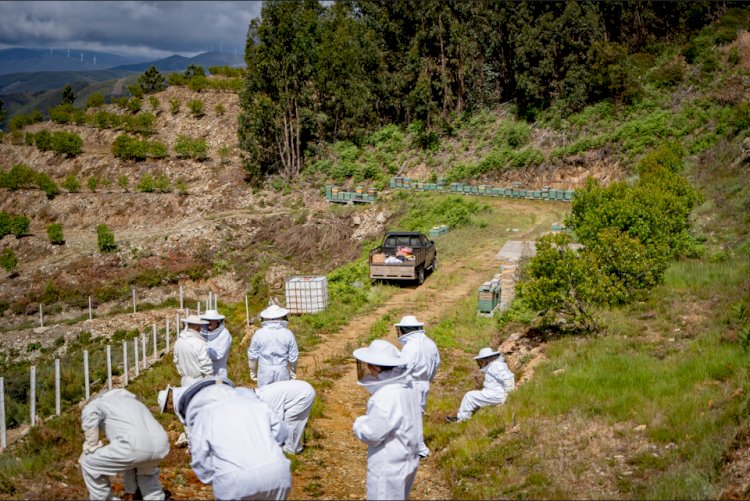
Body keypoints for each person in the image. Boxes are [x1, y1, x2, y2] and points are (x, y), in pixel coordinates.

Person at [158, 377, 291, 500]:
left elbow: (201, 461)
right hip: (278, 475)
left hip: (234, 483)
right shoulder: (253, 404)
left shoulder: (204, 416)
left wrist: (217, 476)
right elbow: (281, 431)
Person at [352, 339, 422, 500]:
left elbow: (372, 434)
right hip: (408, 458)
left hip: (388, 466)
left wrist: (359, 424)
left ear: (377, 367)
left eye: (369, 364)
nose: (368, 369)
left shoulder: (386, 395)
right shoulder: (409, 386)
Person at [79, 389, 169, 500]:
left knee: (88, 463)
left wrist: (91, 445)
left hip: (132, 444)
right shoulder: (136, 403)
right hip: (161, 444)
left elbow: (90, 412)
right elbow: (131, 462)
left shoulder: (99, 403)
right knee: (147, 475)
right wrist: (130, 491)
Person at [395, 315, 440, 459]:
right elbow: (437, 363)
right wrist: (427, 380)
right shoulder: (430, 343)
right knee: (416, 416)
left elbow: (403, 368)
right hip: (424, 383)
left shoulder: (410, 347)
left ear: (405, 330)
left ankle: (418, 449)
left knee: (408, 417)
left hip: (411, 384)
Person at [445, 347, 515, 423]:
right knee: (474, 396)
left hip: (497, 395)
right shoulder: (495, 365)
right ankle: (465, 416)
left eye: (481, 361)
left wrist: (508, 396)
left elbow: (508, 378)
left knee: (469, 396)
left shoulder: (496, 365)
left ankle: (462, 419)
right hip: (495, 394)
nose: (481, 363)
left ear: (487, 359)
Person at [255, 379, 316, 455]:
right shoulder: (261, 393)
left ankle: (289, 451)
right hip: (301, 390)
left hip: (305, 394)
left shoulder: (267, 398)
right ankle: (296, 448)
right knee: (293, 423)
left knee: (290, 422)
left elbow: (277, 420)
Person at [247, 304, 299, 387]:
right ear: (281, 317)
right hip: (282, 370)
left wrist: (252, 371)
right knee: (281, 397)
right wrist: (293, 373)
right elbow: (293, 356)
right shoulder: (288, 333)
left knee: (263, 397)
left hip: (264, 371)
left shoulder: (258, 333)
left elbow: (252, 355)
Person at [173, 315, 213, 387]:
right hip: (199, 382)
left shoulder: (178, 342)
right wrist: (209, 382)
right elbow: (206, 366)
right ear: (198, 326)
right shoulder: (200, 343)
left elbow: (176, 361)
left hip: (184, 382)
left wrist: (183, 375)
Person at [200, 309, 232, 378]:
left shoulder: (224, 334)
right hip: (204, 371)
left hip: (219, 372)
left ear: (217, 321)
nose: (209, 323)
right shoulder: (202, 333)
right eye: (207, 320)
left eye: (211, 320)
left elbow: (219, 354)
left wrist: (203, 351)